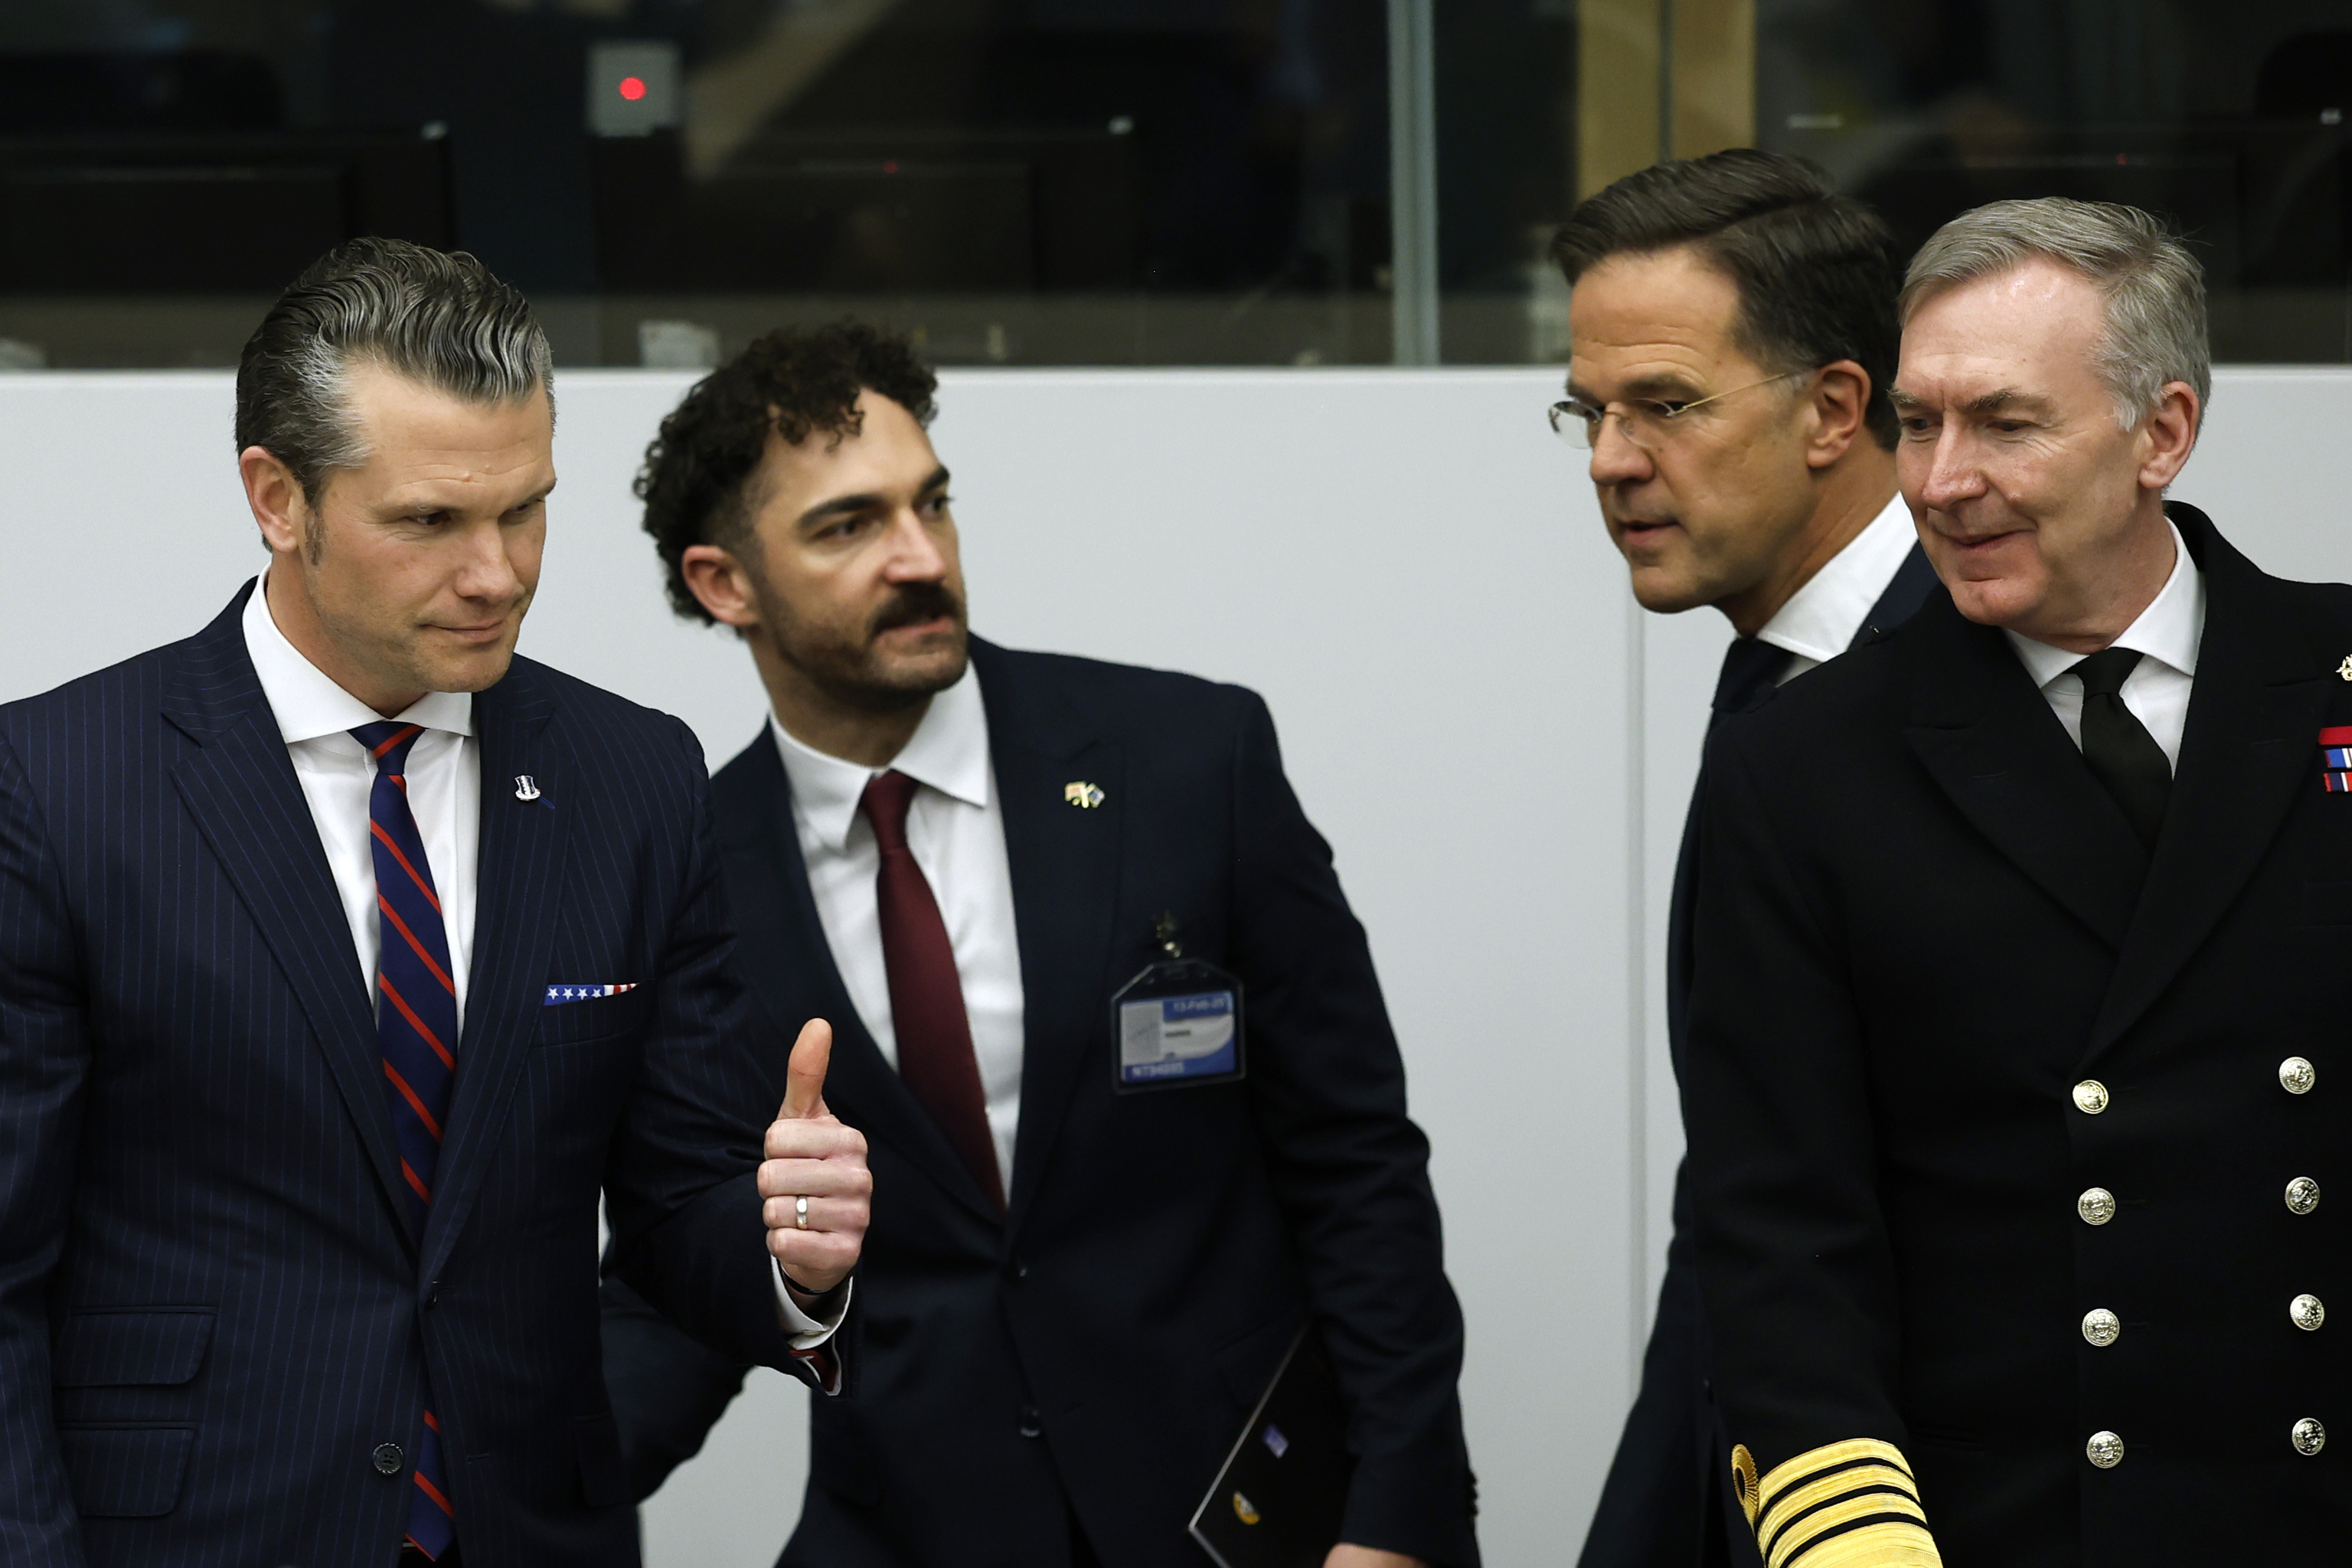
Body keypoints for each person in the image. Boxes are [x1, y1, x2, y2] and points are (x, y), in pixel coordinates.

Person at [0, 239, 871, 1568]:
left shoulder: (631, 777)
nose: (499, 573)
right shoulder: (58, 785)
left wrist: (791, 1260)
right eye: (430, 521)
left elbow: (678, 1197)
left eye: (526, 509)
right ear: (277, 498)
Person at [601, 322, 1479, 1568]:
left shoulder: (1187, 762)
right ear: (723, 584)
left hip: (1243, 1515)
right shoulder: (689, 876)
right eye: (847, 527)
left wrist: (1401, 1518)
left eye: (933, 504)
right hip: (914, 1525)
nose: (920, 559)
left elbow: (1357, 1168)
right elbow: (681, 1278)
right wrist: (467, 1505)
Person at [1684, 197, 2350, 1564]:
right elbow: (1780, 1234)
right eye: (1917, 424)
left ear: (2160, 432)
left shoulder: (2336, 681)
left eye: (2004, 423)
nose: (1939, 480)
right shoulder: (1806, 765)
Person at [1553, 149, 1935, 1568]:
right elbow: (1742, 1212)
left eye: (1665, 405)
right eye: (1585, 412)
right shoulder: (1774, 675)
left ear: (1837, 407)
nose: (1609, 459)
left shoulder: (1970, 693)